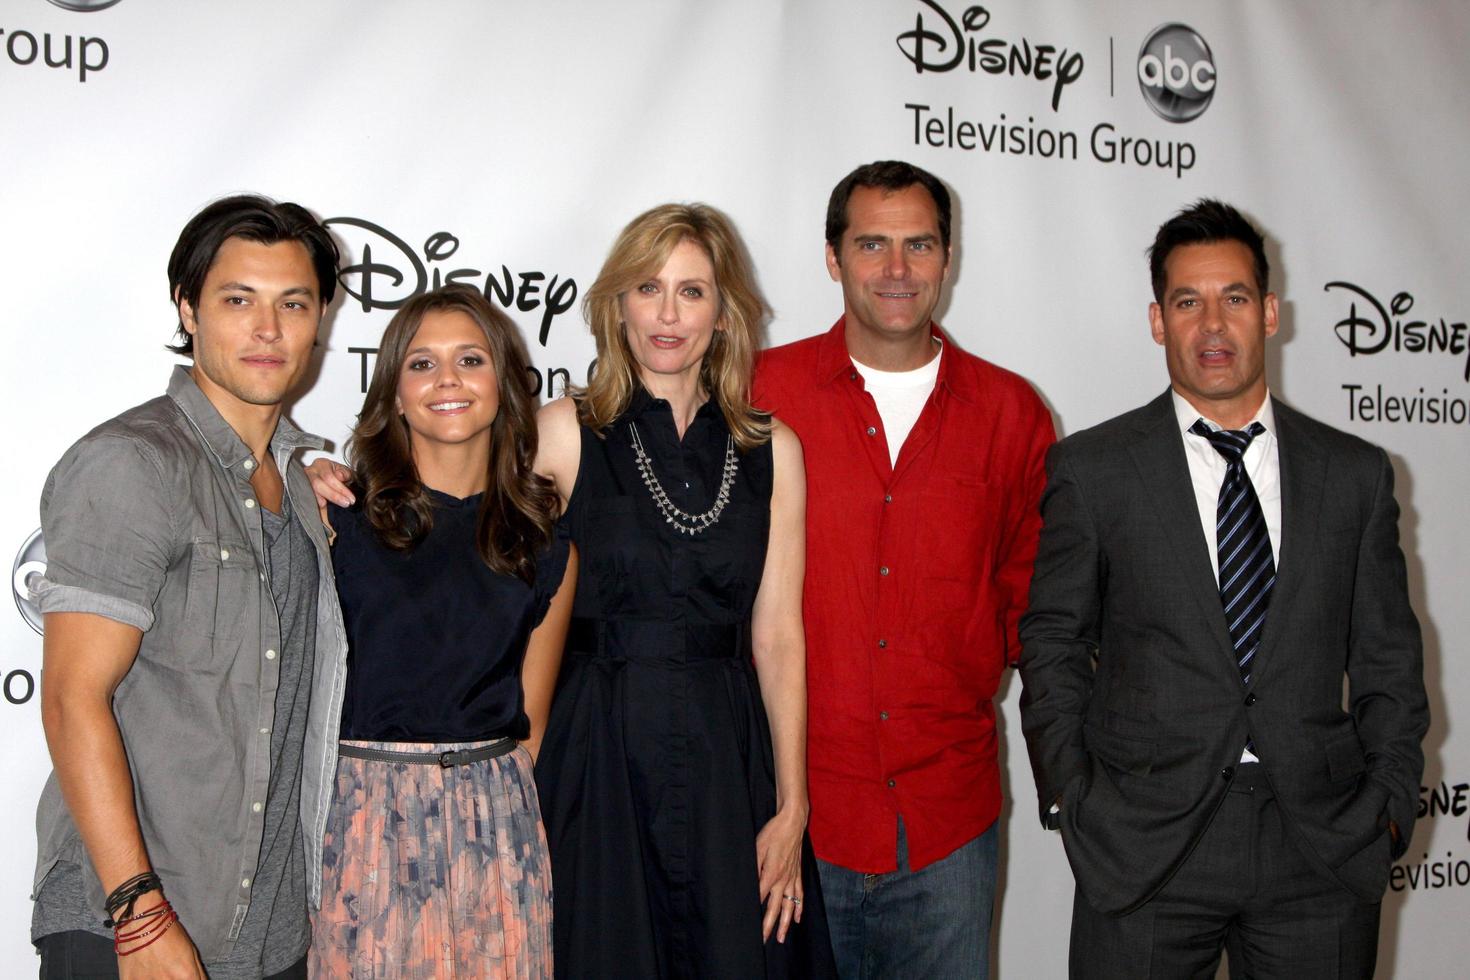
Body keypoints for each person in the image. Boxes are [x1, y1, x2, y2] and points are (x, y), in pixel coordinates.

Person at [1018, 199, 1428, 978]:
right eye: (1187, 302)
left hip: (1319, 842)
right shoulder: (1096, 470)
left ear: (1270, 312)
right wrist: (1076, 796)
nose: (1213, 324)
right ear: (1156, 320)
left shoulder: (1355, 475)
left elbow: (1388, 661)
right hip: (1144, 845)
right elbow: (1052, 645)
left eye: (1234, 298)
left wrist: (1389, 808)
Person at [30, 195, 348, 979]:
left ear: (320, 321)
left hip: (271, 938)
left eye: (293, 304)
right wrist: (140, 915)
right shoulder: (135, 464)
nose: (267, 330)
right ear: (188, 308)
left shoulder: (309, 485)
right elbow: (74, 698)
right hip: (133, 927)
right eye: (238, 301)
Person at [752, 160, 1055, 978]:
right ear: (832, 256)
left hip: (947, 821)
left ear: (948, 259)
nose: (896, 270)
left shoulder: (1011, 413)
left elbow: (1039, 611)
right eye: (872, 244)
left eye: (918, 245)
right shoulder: (758, 394)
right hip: (788, 820)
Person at [534, 203, 834, 978]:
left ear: (725, 313)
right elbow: (465, 543)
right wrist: (325, 475)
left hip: (727, 766)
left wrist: (791, 807)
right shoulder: (564, 430)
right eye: (648, 287)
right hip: (595, 760)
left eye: (692, 291)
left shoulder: (774, 451)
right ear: (616, 306)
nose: (668, 314)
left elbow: (778, 637)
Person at [307, 285, 575, 977]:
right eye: (422, 364)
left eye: (469, 359)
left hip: (498, 823)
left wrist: (496, 830)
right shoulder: (337, 522)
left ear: (506, 386)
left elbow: (532, 728)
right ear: (394, 392)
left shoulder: (546, 544)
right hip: (360, 822)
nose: (447, 379)